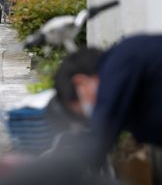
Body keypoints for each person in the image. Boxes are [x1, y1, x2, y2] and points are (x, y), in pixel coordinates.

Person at [54, 36, 162, 164]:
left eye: (82, 112)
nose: (90, 118)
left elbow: (99, 139)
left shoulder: (121, 60)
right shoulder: (133, 101)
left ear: (81, 83)